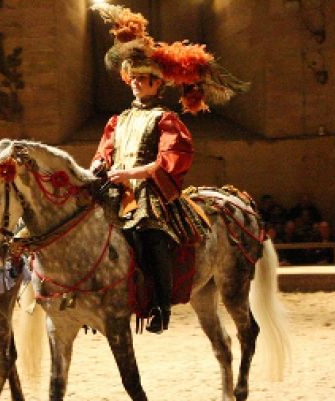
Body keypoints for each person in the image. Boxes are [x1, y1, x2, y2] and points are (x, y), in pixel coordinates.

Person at [91, 4, 248, 333]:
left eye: (144, 79)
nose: (136, 84)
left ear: (157, 84)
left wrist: (132, 175)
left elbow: (171, 159)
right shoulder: (118, 120)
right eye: (133, 78)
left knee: (149, 234)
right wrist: (99, 165)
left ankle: (161, 308)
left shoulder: (165, 119)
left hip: (150, 193)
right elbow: (105, 151)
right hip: (118, 189)